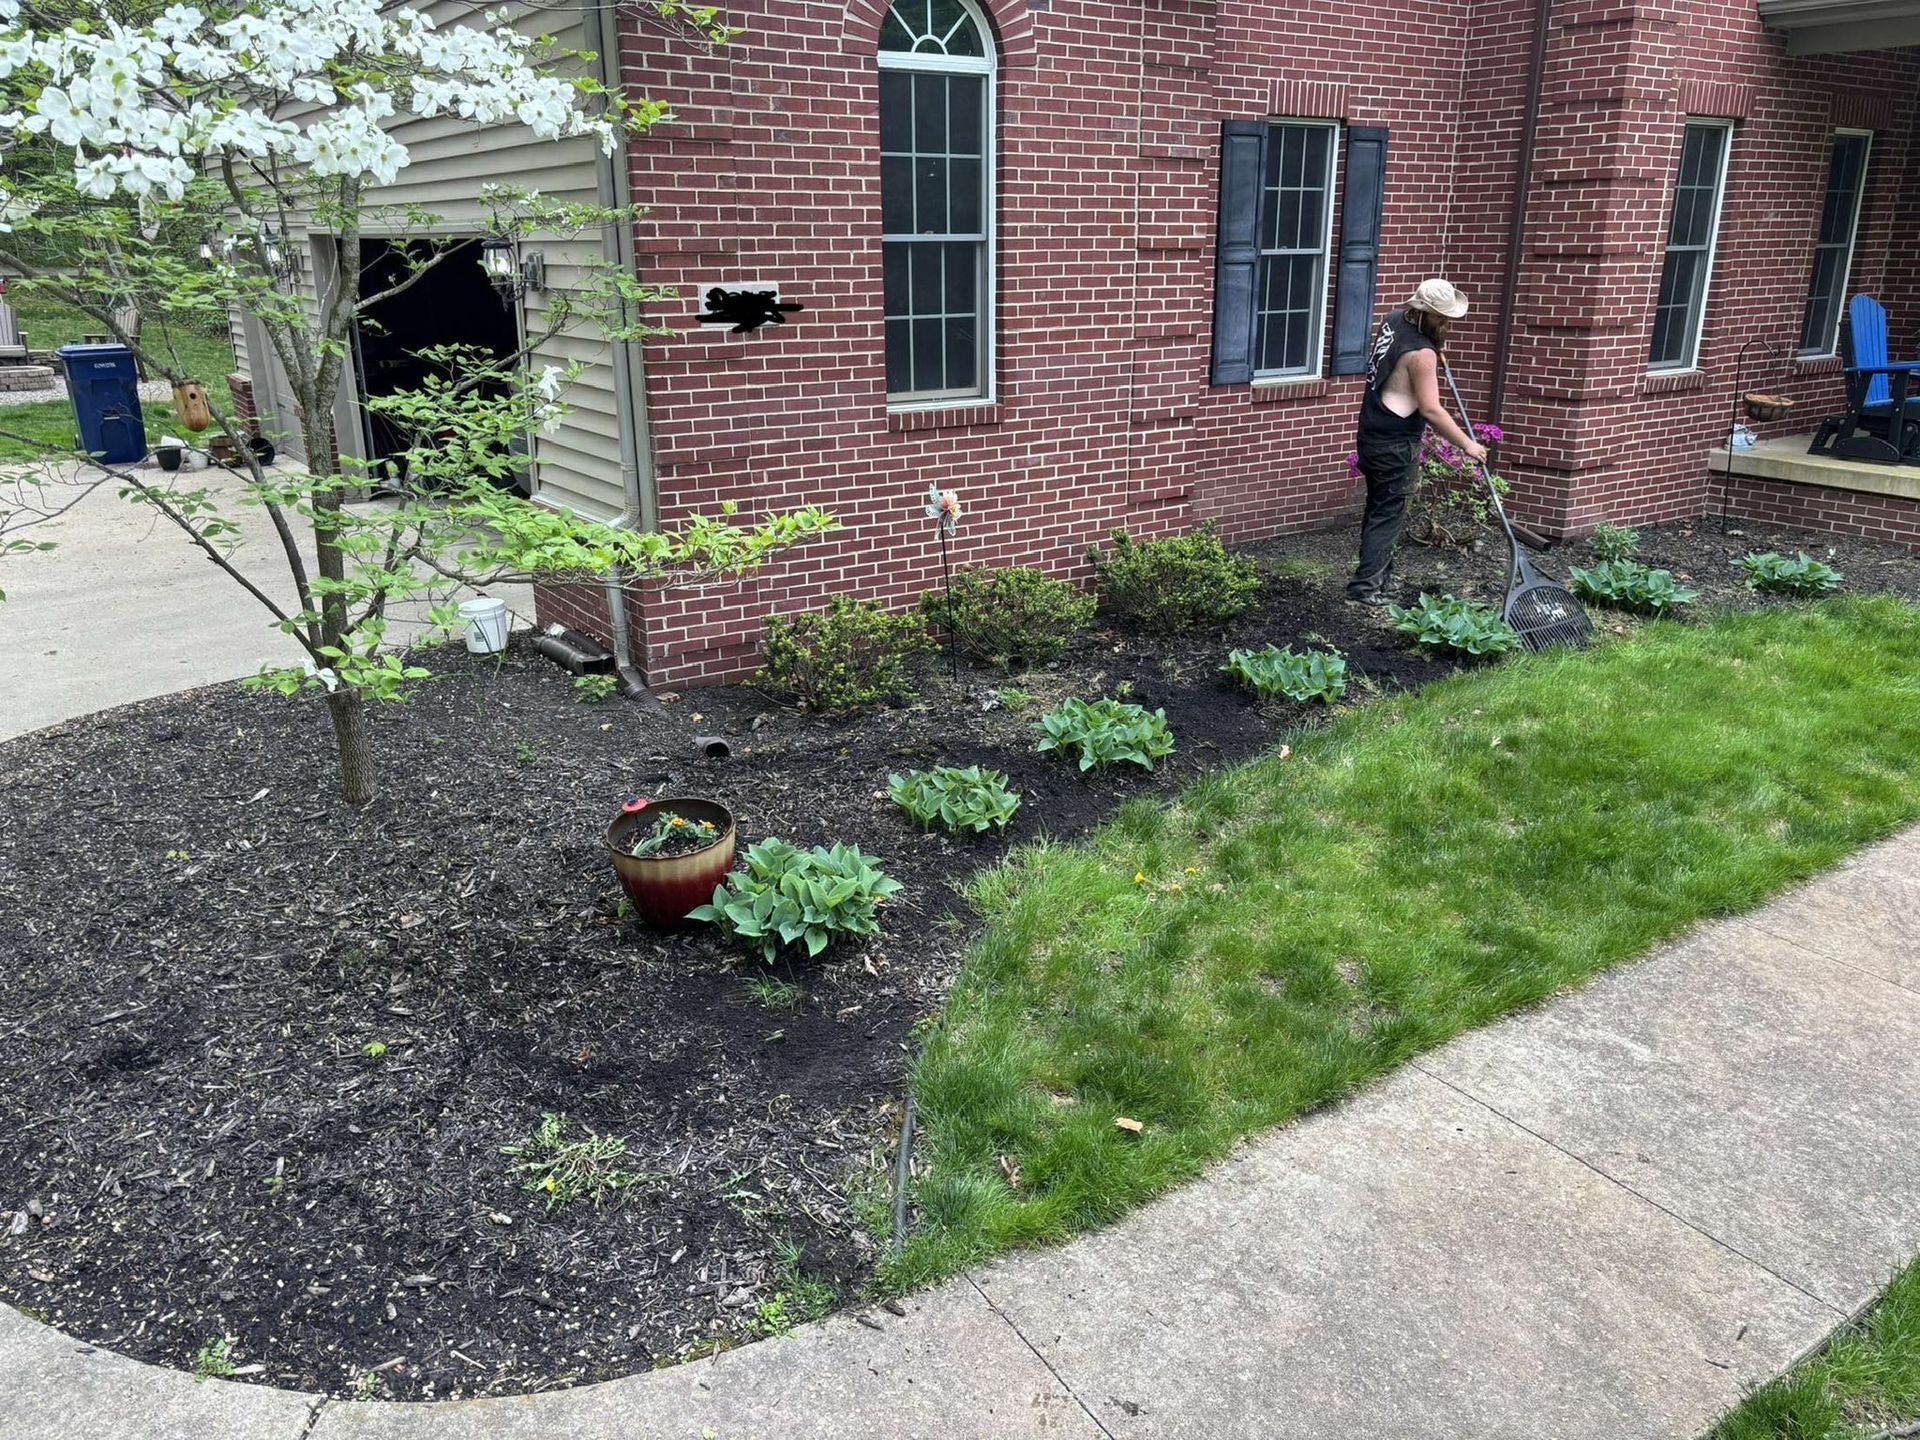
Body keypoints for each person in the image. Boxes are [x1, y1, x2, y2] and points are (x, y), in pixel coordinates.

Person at [1347, 279, 1488, 604]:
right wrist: (1467, 444)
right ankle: (1365, 588)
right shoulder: (1422, 355)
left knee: (1381, 509)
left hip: (1371, 431)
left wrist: (1434, 341)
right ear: (1423, 312)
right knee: (1388, 513)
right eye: (1441, 318)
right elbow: (1431, 410)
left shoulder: (1394, 319)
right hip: (1396, 444)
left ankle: (1381, 577)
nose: (1447, 324)